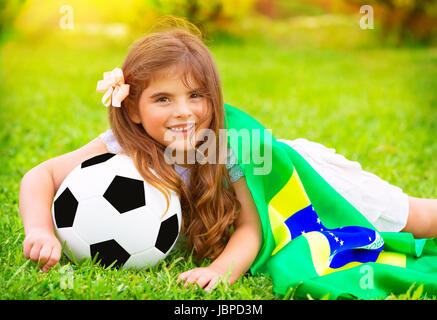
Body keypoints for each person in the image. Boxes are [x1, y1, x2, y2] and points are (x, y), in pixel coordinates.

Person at [19, 18, 437, 292]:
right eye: (163, 98)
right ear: (132, 107)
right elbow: (41, 176)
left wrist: (220, 271)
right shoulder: (119, 145)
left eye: (196, 96)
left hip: (302, 183)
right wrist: (38, 230)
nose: (184, 112)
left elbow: (252, 228)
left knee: (419, 220)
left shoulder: (230, 147)